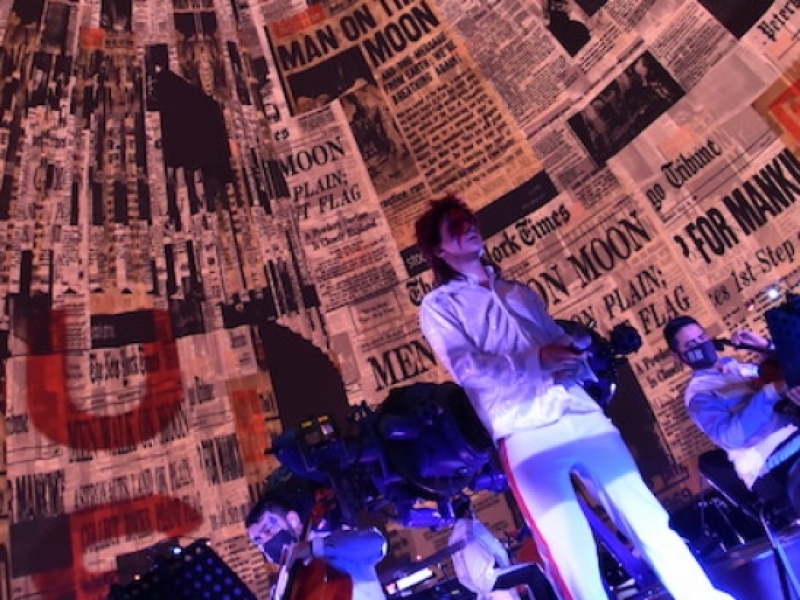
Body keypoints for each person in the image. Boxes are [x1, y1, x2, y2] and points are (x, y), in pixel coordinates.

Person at [415, 195, 735, 600]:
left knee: (649, 519)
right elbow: (469, 369)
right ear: (439, 250)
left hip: (581, 413)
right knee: (570, 551)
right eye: (455, 227)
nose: (469, 227)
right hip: (525, 434)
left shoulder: (519, 290)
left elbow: (555, 343)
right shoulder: (439, 305)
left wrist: (574, 353)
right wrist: (538, 359)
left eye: (469, 219)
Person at [663, 315, 800, 516]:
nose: (701, 345)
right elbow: (730, 437)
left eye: (702, 337)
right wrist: (770, 393)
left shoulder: (743, 368)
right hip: (769, 463)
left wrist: (764, 347)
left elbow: (788, 373)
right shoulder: (699, 395)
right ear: (678, 356)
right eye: (691, 345)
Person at [245, 468, 388, 600]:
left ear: (292, 520)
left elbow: (377, 544)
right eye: (259, 541)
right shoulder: (280, 591)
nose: (266, 541)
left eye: (268, 529)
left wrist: (315, 548)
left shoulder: (334, 537)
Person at [448, 497, 557, 600]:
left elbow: (461, 575)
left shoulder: (452, 539)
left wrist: (478, 590)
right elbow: (497, 549)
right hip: (491, 577)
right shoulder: (472, 525)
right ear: (468, 510)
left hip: (479, 586)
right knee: (533, 571)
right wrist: (505, 563)